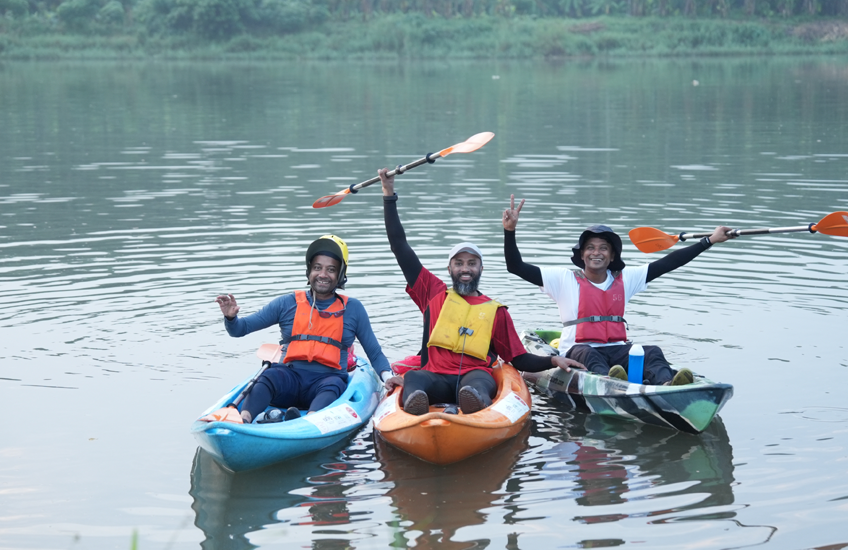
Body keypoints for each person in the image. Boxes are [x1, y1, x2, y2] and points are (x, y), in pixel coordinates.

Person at [378, 169, 584, 416]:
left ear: (481, 268)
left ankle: (473, 406)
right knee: (415, 380)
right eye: (459, 263)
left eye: (471, 263)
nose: (465, 269)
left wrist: (553, 361)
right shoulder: (433, 292)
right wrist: (388, 194)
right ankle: (417, 406)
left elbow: (518, 359)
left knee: (476, 385)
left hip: (474, 377)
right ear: (450, 268)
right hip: (435, 377)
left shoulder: (495, 312)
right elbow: (399, 246)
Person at [502, 195, 735, 385]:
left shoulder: (626, 278)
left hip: (617, 350)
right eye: (590, 248)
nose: (597, 253)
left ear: (612, 255)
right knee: (588, 352)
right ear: (581, 254)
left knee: (651, 351)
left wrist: (709, 240)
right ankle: (611, 383)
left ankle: (667, 385)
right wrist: (509, 231)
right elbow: (515, 267)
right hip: (578, 351)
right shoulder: (563, 279)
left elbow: (668, 263)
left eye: (604, 248)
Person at [215, 235, 392, 424]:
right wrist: (231, 317)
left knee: (333, 386)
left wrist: (388, 377)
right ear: (309, 271)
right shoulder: (287, 303)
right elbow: (240, 330)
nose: (323, 274)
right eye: (317, 268)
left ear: (340, 275)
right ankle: (243, 420)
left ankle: (308, 421)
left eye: (331, 270)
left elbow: (374, 352)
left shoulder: (353, 309)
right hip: (289, 377)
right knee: (269, 377)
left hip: (326, 380)